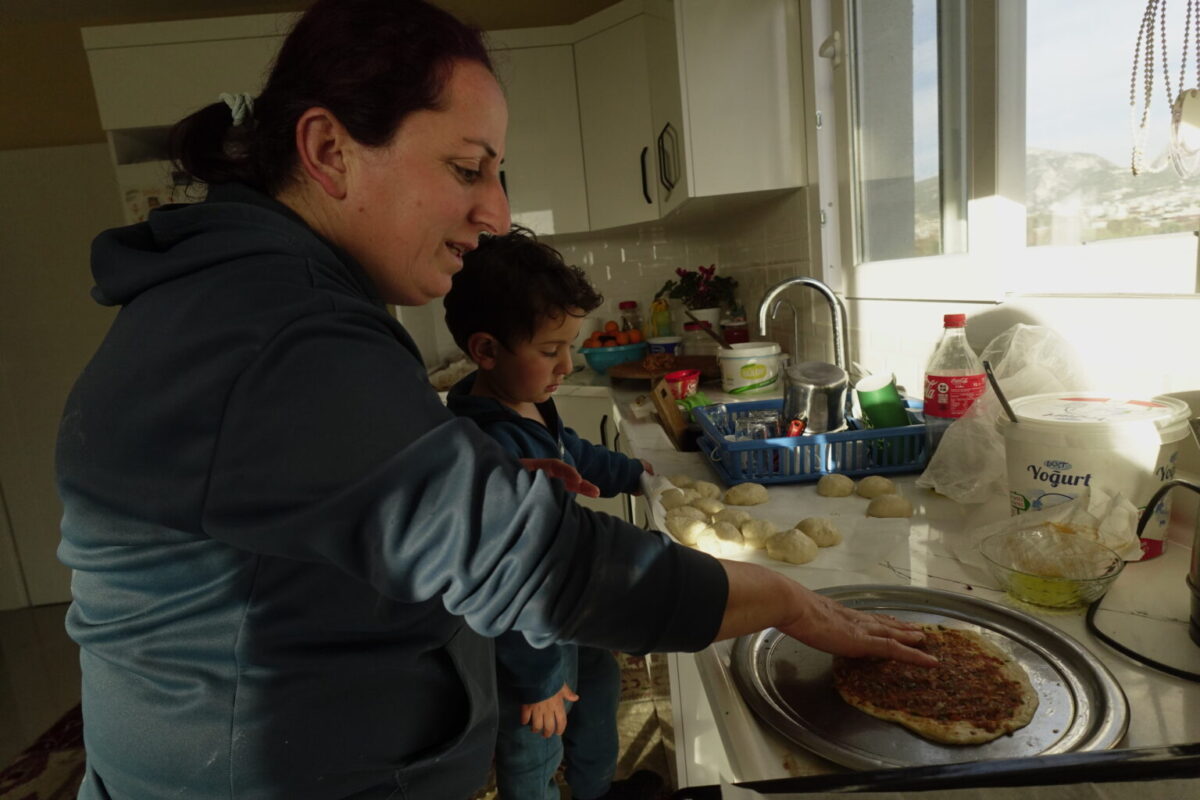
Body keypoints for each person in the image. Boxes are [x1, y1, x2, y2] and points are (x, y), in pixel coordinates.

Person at [55, 1, 935, 798]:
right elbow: (541, 567)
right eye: (469, 169)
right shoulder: (273, 330)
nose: (495, 210)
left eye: (498, 174)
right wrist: (786, 601)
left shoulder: (267, 300)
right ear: (329, 152)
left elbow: (340, 507)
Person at [443, 227, 662, 800]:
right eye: (550, 350)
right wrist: (537, 680)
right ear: (485, 350)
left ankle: (594, 790)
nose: (568, 363)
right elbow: (509, 572)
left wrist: (633, 474)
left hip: (573, 607)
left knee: (599, 692)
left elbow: (575, 453)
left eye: (571, 344)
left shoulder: (530, 399)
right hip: (526, 635)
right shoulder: (492, 449)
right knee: (535, 739)